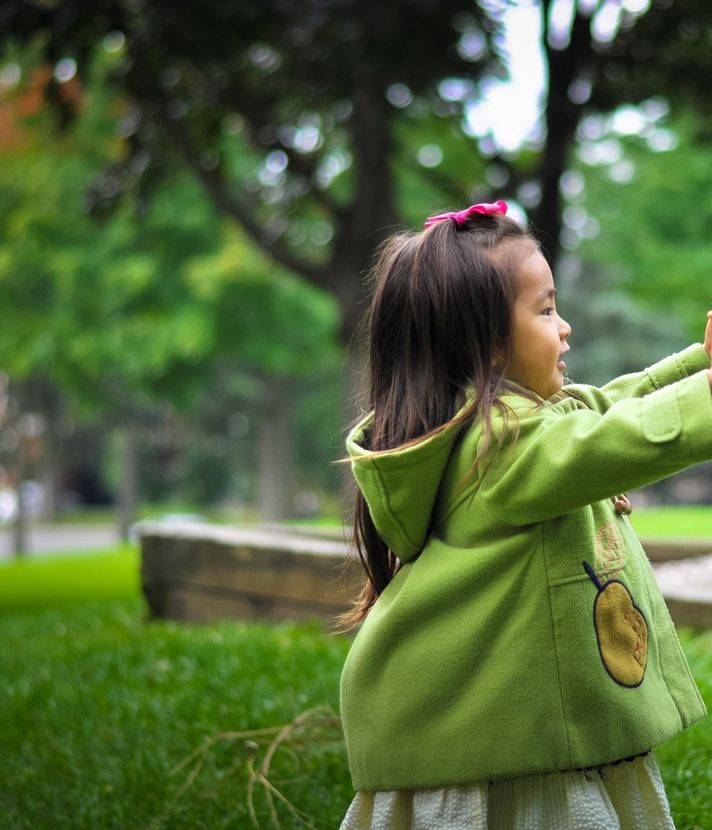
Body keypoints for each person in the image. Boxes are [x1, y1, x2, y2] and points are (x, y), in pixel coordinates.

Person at [338, 199, 712, 829]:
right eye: (544, 310)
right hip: (514, 760)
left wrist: (697, 366)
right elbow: (617, 438)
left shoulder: (504, 426)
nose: (564, 327)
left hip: (522, 736)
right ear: (483, 345)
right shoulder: (500, 448)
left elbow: (602, 406)